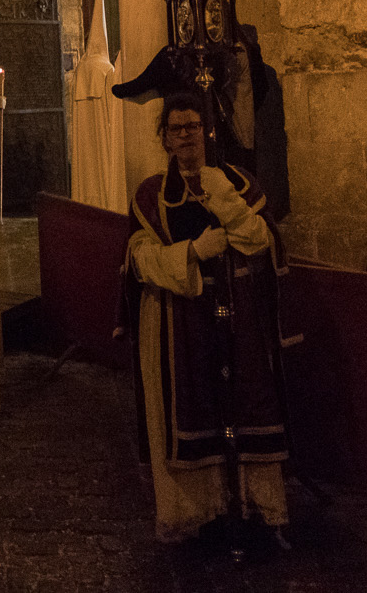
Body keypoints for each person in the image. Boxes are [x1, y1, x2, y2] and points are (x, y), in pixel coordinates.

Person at [124, 93, 294, 550]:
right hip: (176, 321)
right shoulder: (151, 196)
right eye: (176, 129)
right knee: (188, 408)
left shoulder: (237, 182)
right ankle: (196, 512)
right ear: (164, 138)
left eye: (193, 127)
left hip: (239, 321)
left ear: (208, 131)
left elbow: (261, 241)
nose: (185, 136)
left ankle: (256, 509)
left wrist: (225, 200)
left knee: (247, 404)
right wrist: (193, 253)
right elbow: (140, 261)